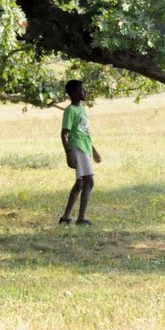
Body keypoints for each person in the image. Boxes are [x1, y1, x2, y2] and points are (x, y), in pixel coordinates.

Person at [59, 78, 102, 225]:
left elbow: (85, 133)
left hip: (85, 147)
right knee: (89, 182)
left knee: (80, 184)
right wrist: (68, 154)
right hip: (77, 148)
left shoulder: (83, 109)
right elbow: (64, 133)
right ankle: (81, 218)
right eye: (82, 89)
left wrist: (94, 150)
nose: (85, 92)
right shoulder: (70, 111)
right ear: (74, 93)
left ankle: (66, 217)